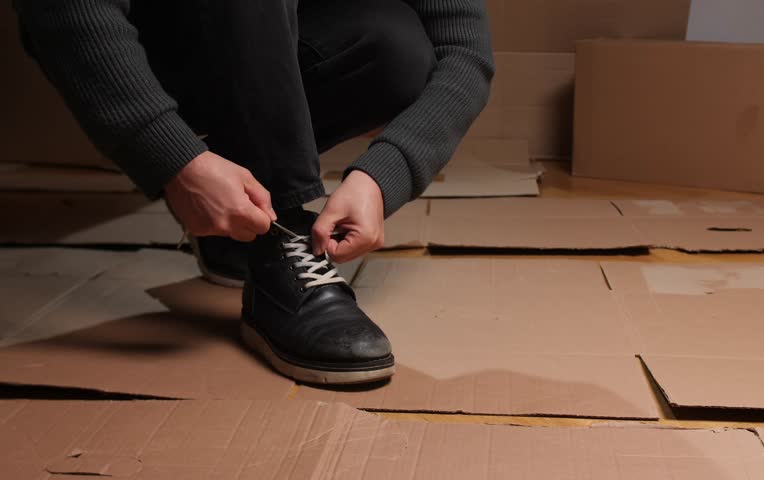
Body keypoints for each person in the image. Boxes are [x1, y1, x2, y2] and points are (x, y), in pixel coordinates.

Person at [14, 0, 494, 385]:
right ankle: (275, 235)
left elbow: (465, 53)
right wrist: (172, 156)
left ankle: (243, 220)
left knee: (396, 48)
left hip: (260, 43)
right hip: (135, 49)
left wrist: (381, 178)